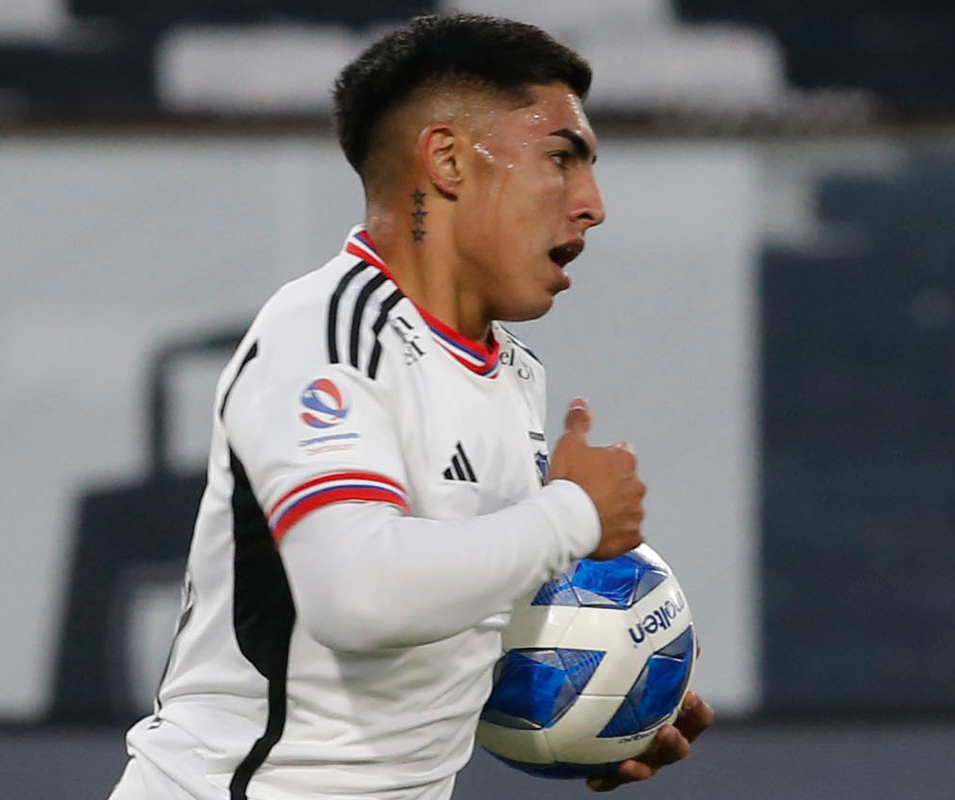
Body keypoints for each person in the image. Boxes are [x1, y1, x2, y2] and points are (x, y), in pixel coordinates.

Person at [108, 12, 712, 800]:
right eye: (561, 159)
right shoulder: (326, 336)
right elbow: (355, 592)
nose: (592, 203)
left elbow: (442, 614)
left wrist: (598, 712)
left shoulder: (507, 371)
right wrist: (572, 518)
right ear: (449, 160)